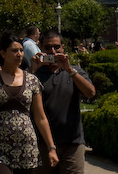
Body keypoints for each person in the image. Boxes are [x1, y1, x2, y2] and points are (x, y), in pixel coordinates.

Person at [0, 31, 59, 173]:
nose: (20, 54)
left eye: (21, 50)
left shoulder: (32, 80)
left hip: (27, 148)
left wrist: (51, 148)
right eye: (14, 51)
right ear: (3, 53)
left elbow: (40, 117)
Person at [32, 31, 96, 174]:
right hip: (41, 143)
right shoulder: (34, 74)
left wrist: (69, 69)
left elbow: (90, 93)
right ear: (41, 49)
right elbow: (20, 98)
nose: (53, 52)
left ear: (63, 47)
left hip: (72, 143)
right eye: (48, 48)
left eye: (56, 47)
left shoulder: (75, 71)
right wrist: (32, 70)